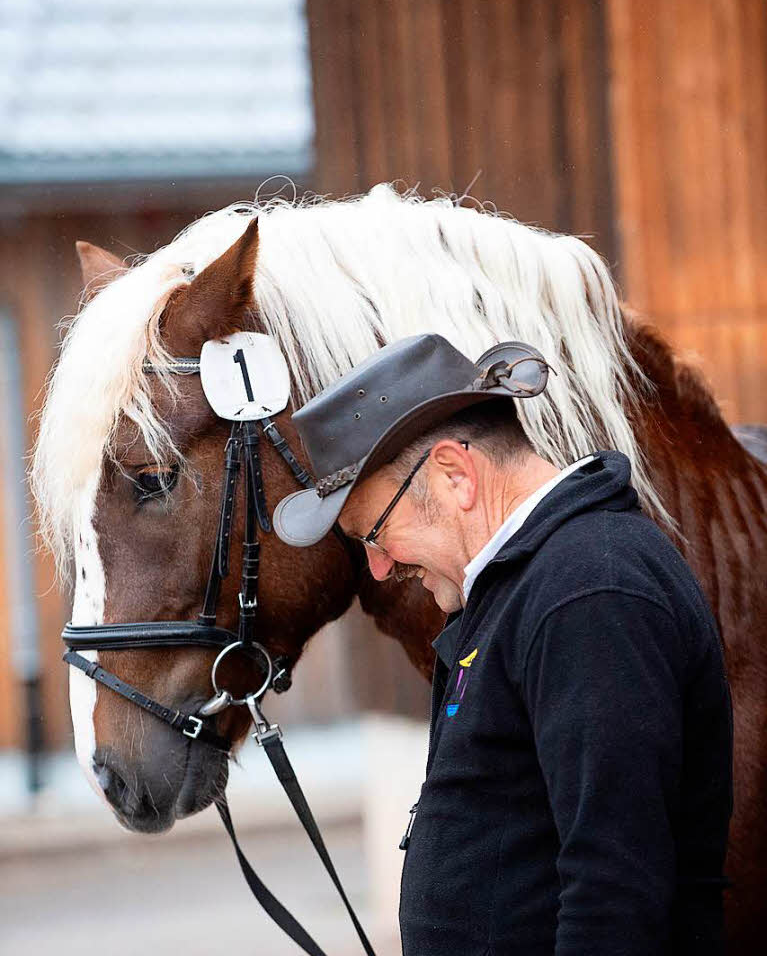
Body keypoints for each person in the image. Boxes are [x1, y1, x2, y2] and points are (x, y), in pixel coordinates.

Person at [273, 333, 733, 956]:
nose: (378, 569)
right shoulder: (529, 583)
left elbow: (615, 886)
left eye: (376, 533)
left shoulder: (589, 592)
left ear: (455, 474)